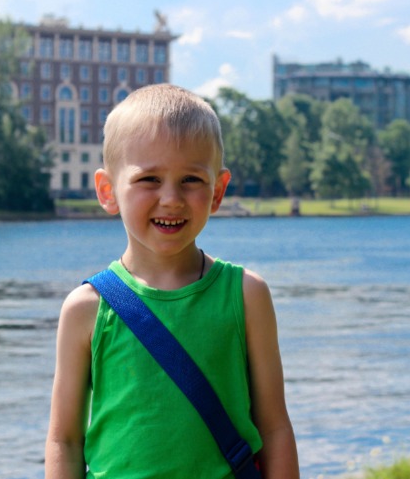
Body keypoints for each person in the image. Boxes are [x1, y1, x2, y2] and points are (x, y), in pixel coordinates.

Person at [45, 84, 299, 478]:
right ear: (108, 191)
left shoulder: (246, 295)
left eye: (191, 180)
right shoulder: (86, 309)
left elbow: (275, 428)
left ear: (217, 191)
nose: (172, 199)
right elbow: (65, 440)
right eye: (149, 179)